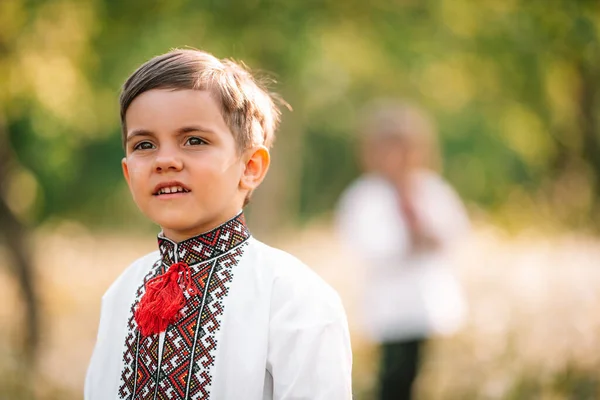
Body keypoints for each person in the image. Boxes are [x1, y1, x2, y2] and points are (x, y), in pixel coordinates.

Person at [85, 49, 352, 400]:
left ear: (251, 167)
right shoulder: (123, 291)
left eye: (194, 141)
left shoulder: (292, 295)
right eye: (144, 144)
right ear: (127, 171)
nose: (165, 160)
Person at [336, 100, 469, 400]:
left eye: (406, 149)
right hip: (390, 304)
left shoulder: (430, 188)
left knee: (417, 372)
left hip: (425, 300)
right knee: (393, 375)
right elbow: (365, 245)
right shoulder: (365, 196)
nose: (399, 158)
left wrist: (432, 236)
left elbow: (455, 229)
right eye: (389, 150)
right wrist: (408, 240)